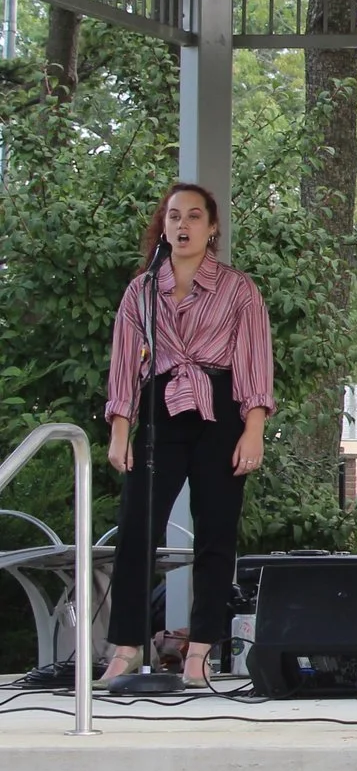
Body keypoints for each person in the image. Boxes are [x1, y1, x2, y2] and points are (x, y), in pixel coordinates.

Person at [100, 183, 274, 687]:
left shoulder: (238, 289)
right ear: (164, 226)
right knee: (137, 527)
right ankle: (127, 646)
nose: (183, 225)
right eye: (174, 216)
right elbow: (123, 365)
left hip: (220, 408)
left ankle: (200, 651)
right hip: (161, 407)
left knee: (216, 533)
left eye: (194, 216)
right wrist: (120, 429)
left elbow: (254, 362)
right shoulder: (142, 290)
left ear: (212, 227)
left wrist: (254, 429)